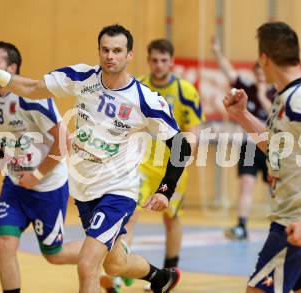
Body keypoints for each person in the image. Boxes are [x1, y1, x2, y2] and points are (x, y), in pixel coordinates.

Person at [0, 24, 189, 293]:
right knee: (115, 265)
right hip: (86, 190)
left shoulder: (144, 100)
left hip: (118, 190)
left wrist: (165, 190)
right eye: (105, 50)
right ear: (99, 51)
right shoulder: (81, 77)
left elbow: (180, 145)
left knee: (88, 264)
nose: (110, 56)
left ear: (129, 55)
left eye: (117, 51)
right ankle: (161, 278)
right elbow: (32, 87)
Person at [223, 21, 301, 293]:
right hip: (295, 217)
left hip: (297, 221)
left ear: (264, 58)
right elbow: (275, 146)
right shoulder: (286, 96)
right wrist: (242, 115)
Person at [0, 41, 83, 293]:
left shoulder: (31, 98)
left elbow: (64, 143)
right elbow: (4, 140)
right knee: (4, 242)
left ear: (11, 68)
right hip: (15, 186)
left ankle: (106, 250)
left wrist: (36, 175)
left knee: (54, 254)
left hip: (47, 187)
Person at [102, 38, 204, 292]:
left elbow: (192, 131)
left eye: (164, 60)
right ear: (147, 60)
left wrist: (186, 155)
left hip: (171, 164)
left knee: (171, 218)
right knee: (131, 215)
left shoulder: (186, 91)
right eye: (154, 60)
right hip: (142, 164)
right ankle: (121, 267)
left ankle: (170, 271)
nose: (159, 65)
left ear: (171, 61)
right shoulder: (139, 87)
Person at [212, 36, 275, 240]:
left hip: (272, 147)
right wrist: (217, 52)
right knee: (246, 184)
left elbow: (274, 115)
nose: (260, 77)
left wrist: (264, 95)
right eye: (257, 74)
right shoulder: (247, 90)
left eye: (263, 73)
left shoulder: (276, 94)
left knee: (278, 186)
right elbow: (228, 71)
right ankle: (241, 225)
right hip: (249, 147)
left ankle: (284, 224)